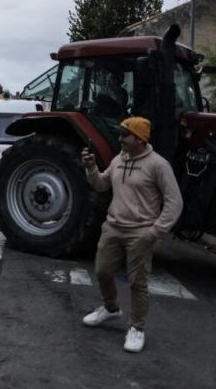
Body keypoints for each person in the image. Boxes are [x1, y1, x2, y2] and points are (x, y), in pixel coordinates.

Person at [80, 117, 183, 353]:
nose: (119, 139)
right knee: (102, 271)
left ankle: (137, 328)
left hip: (141, 231)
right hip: (113, 226)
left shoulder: (158, 165)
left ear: (139, 138)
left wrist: (155, 232)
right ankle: (111, 309)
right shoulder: (119, 159)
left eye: (124, 135)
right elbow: (101, 185)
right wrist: (91, 167)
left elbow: (174, 202)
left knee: (138, 282)